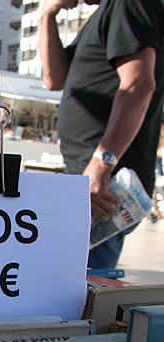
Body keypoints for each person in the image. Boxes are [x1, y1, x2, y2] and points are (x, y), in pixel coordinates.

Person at [39, 0, 164, 269]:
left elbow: (139, 84)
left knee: (81, 289)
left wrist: (101, 165)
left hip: (106, 183)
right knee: (72, 283)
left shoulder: (128, 4)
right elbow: (54, 79)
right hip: (90, 177)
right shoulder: (104, 14)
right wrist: (46, 14)